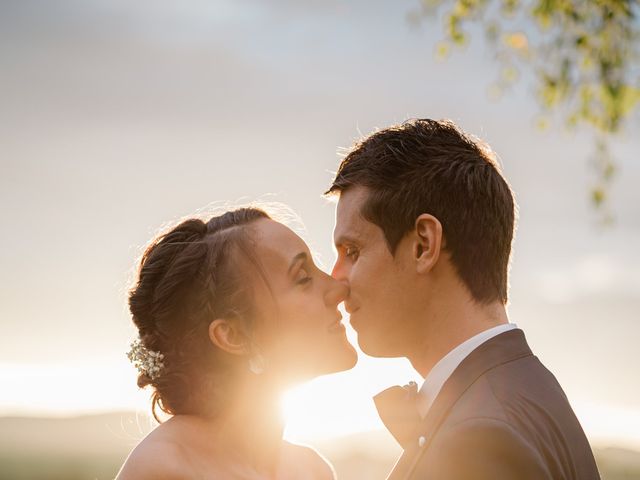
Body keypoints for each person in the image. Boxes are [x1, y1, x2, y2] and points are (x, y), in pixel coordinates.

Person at [326, 119, 600, 479]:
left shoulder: (478, 439)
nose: (335, 279)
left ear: (424, 245)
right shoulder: (527, 389)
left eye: (353, 250)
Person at [116, 208, 357, 479]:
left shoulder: (312, 469)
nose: (339, 289)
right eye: (303, 277)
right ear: (234, 335)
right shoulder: (165, 467)